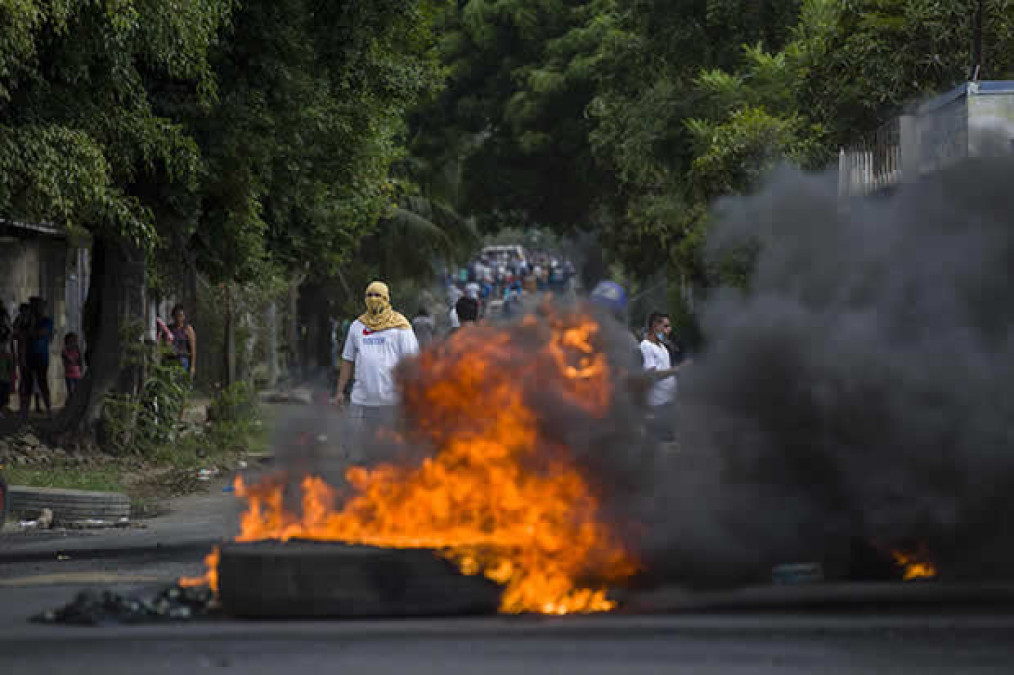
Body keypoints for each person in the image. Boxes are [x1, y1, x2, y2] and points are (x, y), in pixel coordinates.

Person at [333, 281, 419, 434]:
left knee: (388, 445)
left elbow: (412, 364)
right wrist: (340, 391)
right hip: (363, 399)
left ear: (386, 298)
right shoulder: (357, 326)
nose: (373, 299)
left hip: (391, 400)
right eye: (369, 295)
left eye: (377, 295)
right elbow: (348, 360)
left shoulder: (401, 327)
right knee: (365, 445)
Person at [639, 312, 690, 440]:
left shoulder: (662, 346)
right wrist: (677, 369)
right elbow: (652, 375)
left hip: (669, 403)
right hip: (657, 407)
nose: (669, 330)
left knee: (669, 440)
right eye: (666, 326)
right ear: (656, 326)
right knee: (660, 446)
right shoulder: (646, 346)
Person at [20, 297, 53, 417]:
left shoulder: (46, 321)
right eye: (33, 306)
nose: (35, 309)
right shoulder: (26, 322)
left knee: (42, 383)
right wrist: (23, 357)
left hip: (41, 356)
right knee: (27, 385)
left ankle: (49, 411)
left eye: (38, 306)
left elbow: (40, 334)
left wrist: (31, 329)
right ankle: (25, 413)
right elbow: (22, 337)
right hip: (29, 356)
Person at [169, 305, 197, 380]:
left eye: (180, 316)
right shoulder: (169, 329)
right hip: (170, 361)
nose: (178, 318)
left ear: (184, 317)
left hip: (183, 360)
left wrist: (192, 367)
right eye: (176, 315)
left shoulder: (188, 329)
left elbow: (193, 350)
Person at [62, 332, 83, 399]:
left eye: (74, 341)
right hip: (69, 375)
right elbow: (68, 359)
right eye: (70, 341)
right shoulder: (65, 351)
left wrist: (80, 369)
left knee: (77, 391)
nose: (72, 343)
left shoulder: (77, 350)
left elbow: (80, 361)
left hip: (77, 374)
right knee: (70, 392)